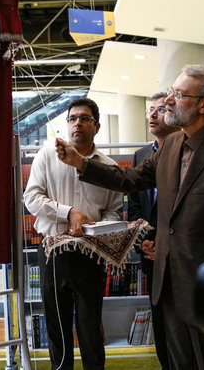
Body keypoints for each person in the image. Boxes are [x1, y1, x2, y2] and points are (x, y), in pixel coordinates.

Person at [56, 65, 204, 370]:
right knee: (177, 362)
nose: (168, 100)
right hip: (167, 285)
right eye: (171, 91)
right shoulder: (171, 145)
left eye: (179, 95)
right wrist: (81, 163)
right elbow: (130, 179)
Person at [23, 98, 123, 370]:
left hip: (92, 254)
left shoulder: (109, 167)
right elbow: (31, 197)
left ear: (97, 126)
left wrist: (99, 229)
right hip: (54, 253)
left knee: (91, 328)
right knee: (58, 326)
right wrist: (68, 213)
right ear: (67, 124)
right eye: (72, 118)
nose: (77, 122)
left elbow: (114, 211)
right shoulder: (46, 156)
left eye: (85, 118)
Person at [127, 91, 179, 369]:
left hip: (182, 254)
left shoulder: (188, 152)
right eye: (150, 110)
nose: (153, 114)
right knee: (159, 315)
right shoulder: (142, 154)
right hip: (151, 254)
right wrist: (143, 242)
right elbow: (135, 206)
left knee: (183, 321)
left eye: (160, 109)